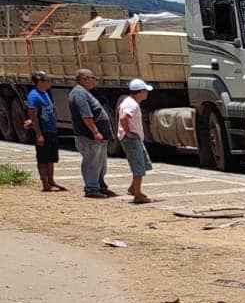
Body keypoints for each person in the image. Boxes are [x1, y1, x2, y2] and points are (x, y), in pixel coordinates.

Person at [69, 68, 114, 198]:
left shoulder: (83, 92)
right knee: (92, 162)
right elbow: (86, 115)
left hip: (95, 137)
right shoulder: (79, 94)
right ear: (84, 78)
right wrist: (95, 132)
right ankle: (91, 189)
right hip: (88, 137)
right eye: (92, 77)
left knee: (100, 162)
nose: (95, 80)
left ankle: (100, 186)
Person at [24, 72, 65, 193]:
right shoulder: (33, 96)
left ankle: (51, 180)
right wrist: (39, 134)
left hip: (51, 130)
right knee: (42, 158)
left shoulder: (45, 94)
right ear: (40, 82)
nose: (50, 83)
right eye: (47, 80)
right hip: (43, 132)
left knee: (51, 158)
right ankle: (45, 183)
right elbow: (33, 114)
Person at [117, 78, 154, 204]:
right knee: (138, 167)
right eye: (145, 91)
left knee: (142, 164)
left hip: (134, 139)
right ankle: (137, 195)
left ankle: (133, 188)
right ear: (140, 92)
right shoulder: (132, 105)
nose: (146, 93)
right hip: (131, 140)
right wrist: (128, 132)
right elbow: (123, 118)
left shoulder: (128, 101)